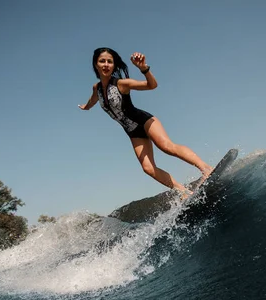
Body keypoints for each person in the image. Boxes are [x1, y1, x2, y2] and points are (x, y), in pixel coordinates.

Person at [78, 47, 213, 199]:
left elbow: (151, 85)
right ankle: (183, 191)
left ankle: (206, 168)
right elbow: (93, 100)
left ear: (114, 66)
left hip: (144, 120)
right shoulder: (96, 89)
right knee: (148, 168)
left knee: (167, 147)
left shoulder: (122, 84)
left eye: (110, 61)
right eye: (102, 61)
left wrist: (144, 69)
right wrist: (86, 107)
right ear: (96, 64)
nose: (106, 64)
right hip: (132, 131)